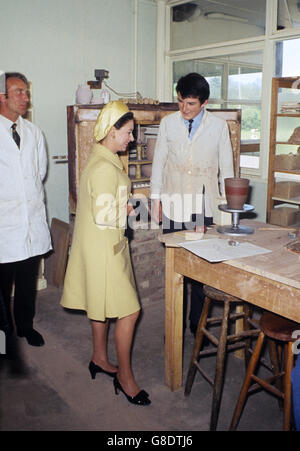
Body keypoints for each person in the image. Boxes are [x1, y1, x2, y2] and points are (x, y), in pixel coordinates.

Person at [61, 101, 151, 406]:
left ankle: (99, 358)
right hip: (104, 248)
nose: (132, 139)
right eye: (127, 133)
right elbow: (105, 214)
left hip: (104, 244)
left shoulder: (104, 156)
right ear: (112, 132)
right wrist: (137, 205)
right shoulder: (103, 166)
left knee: (99, 304)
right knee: (130, 310)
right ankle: (125, 378)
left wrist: (130, 201)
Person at [150, 72, 234, 335]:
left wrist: (228, 209)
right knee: (175, 270)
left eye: (190, 103)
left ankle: (197, 325)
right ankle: (174, 325)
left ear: (204, 103)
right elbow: (158, 163)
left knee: (199, 272)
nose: (184, 108)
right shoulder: (168, 123)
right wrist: (155, 199)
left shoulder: (219, 127)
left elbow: (227, 170)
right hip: (174, 202)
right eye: (180, 102)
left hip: (202, 206)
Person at [0, 72, 51, 347]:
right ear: (2, 96)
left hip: (30, 222)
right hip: (3, 226)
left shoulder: (34, 133)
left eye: (26, 92)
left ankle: (25, 327)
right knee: (1, 287)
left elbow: (39, 172)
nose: (26, 98)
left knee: (27, 282)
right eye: (19, 92)